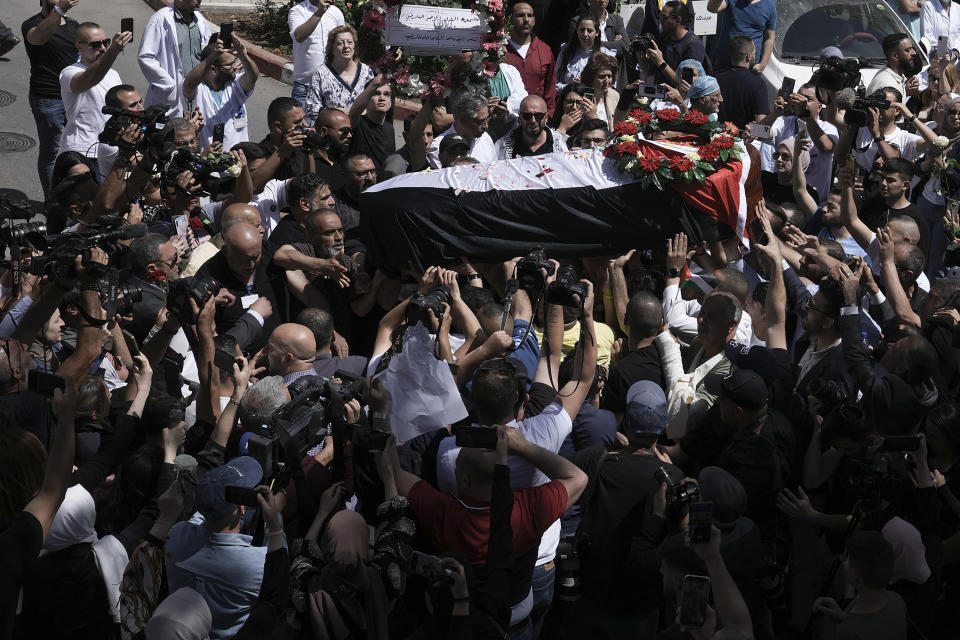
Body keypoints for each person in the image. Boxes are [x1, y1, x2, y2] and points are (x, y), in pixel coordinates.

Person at [165, 456, 280, 638]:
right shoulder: (257, 565)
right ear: (242, 508)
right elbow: (281, 573)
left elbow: (201, 518)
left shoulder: (175, 536)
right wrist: (275, 522)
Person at [22, 0, 82, 196]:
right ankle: (52, 201)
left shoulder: (74, 25)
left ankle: (80, 197)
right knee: (50, 152)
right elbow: (38, 38)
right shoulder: (32, 24)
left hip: (74, 98)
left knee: (81, 147)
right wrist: (59, 10)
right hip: (48, 99)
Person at [812, 531, 908, 639]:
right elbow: (870, 629)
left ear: (856, 575)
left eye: (848, 558)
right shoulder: (897, 600)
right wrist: (842, 617)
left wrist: (848, 589)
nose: (843, 561)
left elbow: (858, 630)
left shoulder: (847, 632)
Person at [58, 23, 132, 160]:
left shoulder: (113, 74)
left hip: (111, 150)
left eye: (106, 42)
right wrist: (113, 51)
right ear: (79, 47)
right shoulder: (69, 72)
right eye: (96, 45)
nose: (103, 48)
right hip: (82, 151)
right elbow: (90, 80)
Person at [183, 35, 260, 152]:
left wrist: (243, 56)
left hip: (239, 161)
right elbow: (189, 83)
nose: (235, 67)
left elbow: (253, 76)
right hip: (209, 162)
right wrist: (212, 56)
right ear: (213, 69)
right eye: (229, 64)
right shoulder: (198, 90)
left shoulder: (236, 84)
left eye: (235, 61)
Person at [138, 0, 213, 116]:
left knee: (196, 128)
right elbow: (146, 56)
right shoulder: (160, 19)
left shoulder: (199, 19)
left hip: (196, 87)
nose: (200, 0)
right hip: (173, 90)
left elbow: (205, 51)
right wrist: (169, 84)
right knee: (171, 130)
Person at [305, 25, 374, 119]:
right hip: (332, 130)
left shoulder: (366, 72)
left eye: (350, 42)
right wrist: (345, 112)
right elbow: (311, 108)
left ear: (354, 46)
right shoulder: (321, 74)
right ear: (332, 48)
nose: (346, 46)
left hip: (362, 130)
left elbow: (374, 102)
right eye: (340, 43)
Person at [288, 0, 346, 108]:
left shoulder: (336, 12)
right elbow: (299, 36)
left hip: (331, 87)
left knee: (329, 124)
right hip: (305, 88)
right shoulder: (297, 11)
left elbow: (343, 42)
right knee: (302, 124)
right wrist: (319, 13)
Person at [505, 2, 557, 117]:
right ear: (510, 19)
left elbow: (550, 88)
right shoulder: (500, 50)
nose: (526, 19)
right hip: (507, 119)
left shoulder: (544, 50)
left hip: (536, 120)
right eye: (520, 15)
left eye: (530, 15)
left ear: (534, 20)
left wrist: (548, 116)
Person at [645, 0, 707, 86]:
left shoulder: (693, 45)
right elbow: (649, 71)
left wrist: (661, 63)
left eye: (664, 17)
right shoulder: (664, 37)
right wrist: (640, 54)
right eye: (660, 16)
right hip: (658, 96)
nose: (660, 21)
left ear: (678, 19)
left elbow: (685, 85)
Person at [428, 92, 496, 168]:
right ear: (463, 119)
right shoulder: (438, 146)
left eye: (487, 120)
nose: (486, 126)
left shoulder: (485, 138)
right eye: (481, 122)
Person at [707, 0, 776, 74]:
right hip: (724, 65)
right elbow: (712, 8)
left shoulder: (769, 4)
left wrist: (762, 65)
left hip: (750, 68)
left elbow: (769, 38)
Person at [715, 36, 769, 130]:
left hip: (717, 138)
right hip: (744, 141)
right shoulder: (757, 83)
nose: (754, 56)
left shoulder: (715, 79)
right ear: (748, 56)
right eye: (754, 53)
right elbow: (761, 126)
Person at [347, 76, 396, 176]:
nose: (382, 98)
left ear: (390, 101)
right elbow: (354, 111)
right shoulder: (358, 123)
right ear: (367, 99)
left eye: (386, 94)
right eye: (376, 93)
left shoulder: (389, 129)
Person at [556, 16, 616, 94]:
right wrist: (570, 86)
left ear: (597, 32)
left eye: (589, 30)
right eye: (582, 30)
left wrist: (588, 85)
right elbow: (553, 84)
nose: (585, 34)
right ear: (577, 31)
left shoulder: (605, 55)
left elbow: (611, 88)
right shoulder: (566, 52)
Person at [494, 95, 567, 159]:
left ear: (546, 118)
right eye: (527, 116)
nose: (533, 120)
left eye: (538, 116)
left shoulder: (558, 143)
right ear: (520, 118)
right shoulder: (504, 145)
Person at [865, 33, 924, 98]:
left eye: (912, 48)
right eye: (908, 50)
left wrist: (906, 92)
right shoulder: (887, 85)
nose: (914, 53)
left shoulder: (893, 77)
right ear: (894, 56)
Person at [581, 53, 620, 129]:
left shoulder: (614, 95)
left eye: (609, 76)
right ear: (591, 76)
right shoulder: (580, 95)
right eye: (601, 76)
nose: (606, 81)